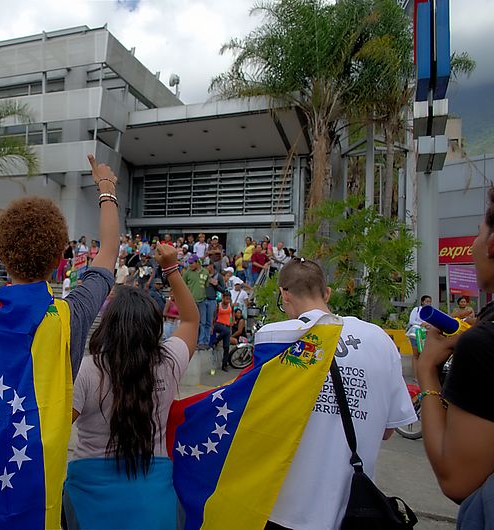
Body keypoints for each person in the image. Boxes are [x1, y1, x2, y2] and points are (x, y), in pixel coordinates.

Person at [0, 155, 119, 528]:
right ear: (60, 256)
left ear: (1, 253)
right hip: (35, 490)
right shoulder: (69, 318)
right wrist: (106, 189)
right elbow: (107, 255)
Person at [266, 258, 415, 529]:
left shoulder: (273, 337)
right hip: (354, 510)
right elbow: (387, 430)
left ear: (283, 294)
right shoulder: (379, 339)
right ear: (327, 293)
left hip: (283, 509)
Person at [64, 242, 198, 529]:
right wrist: (171, 268)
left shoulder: (87, 370)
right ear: (154, 329)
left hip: (88, 496)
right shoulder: (169, 362)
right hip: (154, 496)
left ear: (108, 324)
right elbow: (190, 319)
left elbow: (55, 432)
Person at [416, 188, 494, 515]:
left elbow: (456, 480)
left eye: (478, 233)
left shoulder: (483, 345)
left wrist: (426, 371)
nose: (474, 244)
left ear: (492, 244)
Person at [182, 256, 209, 350]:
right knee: (192, 322)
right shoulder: (187, 273)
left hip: (202, 300)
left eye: (192, 263)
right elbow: (183, 286)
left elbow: (207, 285)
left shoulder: (205, 272)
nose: (190, 265)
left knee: (203, 322)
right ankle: (191, 341)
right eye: (189, 263)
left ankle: (201, 342)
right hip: (190, 301)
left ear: (197, 262)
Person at [211, 296, 233, 371]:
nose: (227, 300)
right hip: (218, 324)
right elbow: (214, 316)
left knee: (226, 347)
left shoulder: (230, 305)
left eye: (228, 299)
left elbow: (232, 314)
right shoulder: (219, 305)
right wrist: (212, 326)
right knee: (226, 331)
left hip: (226, 326)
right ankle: (216, 341)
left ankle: (224, 365)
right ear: (223, 298)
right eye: (226, 299)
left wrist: (232, 323)